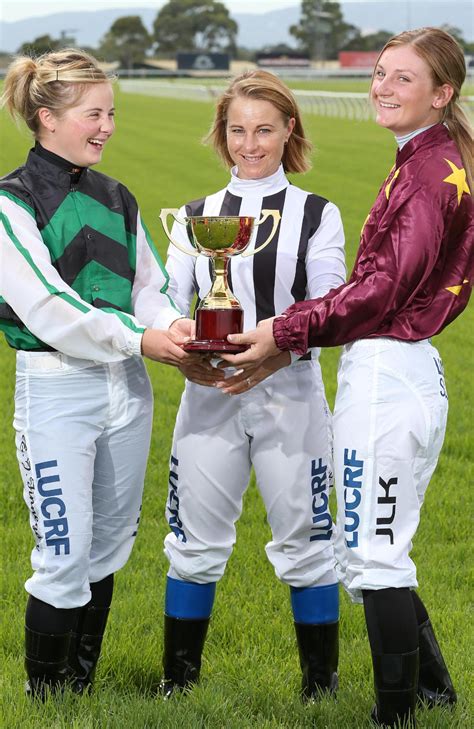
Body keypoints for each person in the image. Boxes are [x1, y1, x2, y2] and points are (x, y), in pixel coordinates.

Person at [219, 28, 472, 727]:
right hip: (393, 369)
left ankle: (394, 715)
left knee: (373, 554)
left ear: (441, 94)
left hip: (390, 371)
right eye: (380, 74)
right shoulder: (425, 160)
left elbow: (382, 290)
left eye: (402, 79)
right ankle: (434, 696)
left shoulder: (429, 172)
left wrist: (283, 328)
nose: (382, 88)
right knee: (368, 553)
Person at [0, 48, 198, 699]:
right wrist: (141, 337)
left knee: (108, 547)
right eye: (93, 113)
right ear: (46, 117)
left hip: (126, 388)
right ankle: (45, 698)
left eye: (111, 112)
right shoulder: (12, 202)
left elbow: (150, 287)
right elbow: (51, 309)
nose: (107, 125)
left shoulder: (118, 195)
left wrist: (173, 327)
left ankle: (78, 690)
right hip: (57, 389)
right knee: (62, 554)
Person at [158, 69, 346, 700]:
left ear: (289, 129)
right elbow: (165, 300)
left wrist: (276, 349)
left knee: (309, 543)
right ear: (223, 134)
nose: (250, 143)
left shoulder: (317, 214)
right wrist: (183, 338)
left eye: (264, 129)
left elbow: (330, 303)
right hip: (210, 392)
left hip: (291, 393)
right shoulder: (194, 216)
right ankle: (177, 687)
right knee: (193, 542)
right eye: (238, 130)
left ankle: (319, 690)